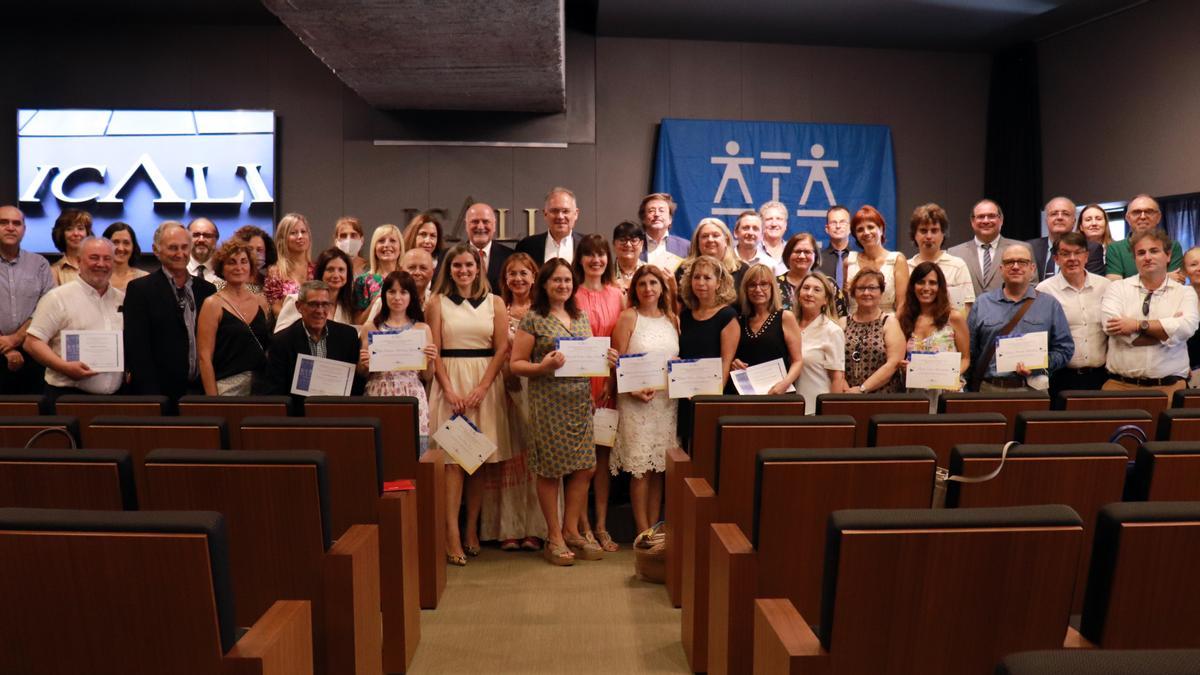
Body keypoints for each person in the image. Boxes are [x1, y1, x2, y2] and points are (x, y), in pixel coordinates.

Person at [510, 258, 600, 566]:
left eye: (567, 280)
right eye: (556, 280)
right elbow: (516, 364)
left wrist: (607, 358)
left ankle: (571, 529)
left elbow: (588, 359)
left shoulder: (581, 315)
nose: (562, 285)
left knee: (585, 467)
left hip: (579, 401)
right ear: (544, 284)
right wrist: (543, 366)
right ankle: (554, 536)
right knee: (551, 470)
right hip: (547, 401)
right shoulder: (533, 318)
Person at [426, 243, 512, 565]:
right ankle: (451, 533)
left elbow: (502, 348)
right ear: (448, 269)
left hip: (484, 384)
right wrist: (448, 390)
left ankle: (471, 529)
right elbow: (433, 348)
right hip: (450, 381)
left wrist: (483, 387)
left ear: (479, 268)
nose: (463, 271)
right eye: (457, 265)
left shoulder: (496, 302)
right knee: (452, 463)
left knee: (477, 462)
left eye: (469, 265)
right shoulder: (437, 303)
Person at [482, 252, 547, 552]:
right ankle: (507, 528)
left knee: (534, 459)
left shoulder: (543, 311)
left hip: (536, 390)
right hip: (502, 389)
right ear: (505, 279)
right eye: (512, 274)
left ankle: (534, 528)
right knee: (507, 461)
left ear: (534, 277)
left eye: (524, 273)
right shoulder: (497, 309)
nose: (518, 279)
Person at [611, 264, 679, 535]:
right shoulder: (629, 317)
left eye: (653, 283)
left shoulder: (672, 318)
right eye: (642, 284)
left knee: (659, 468)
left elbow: (675, 359)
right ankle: (642, 532)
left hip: (666, 403)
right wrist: (633, 390)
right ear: (634, 289)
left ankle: (655, 529)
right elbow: (618, 362)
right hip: (636, 401)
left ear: (662, 287)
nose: (648, 289)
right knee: (640, 469)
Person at [572, 234, 625, 554]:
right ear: (580, 259)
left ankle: (602, 525)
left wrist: (613, 379)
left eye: (601, 254)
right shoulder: (571, 294)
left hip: (609, 383)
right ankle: (582, 526)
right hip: (577, 384)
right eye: (589, 254)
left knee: (602, 458)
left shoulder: (617, 294)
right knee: (580, 460)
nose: (596, 260)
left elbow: (622, 338)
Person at [124, 222, 217, 400]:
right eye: (173, 248)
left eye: (184, 247)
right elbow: (137, 348)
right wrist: (152, 398)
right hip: (159, 394)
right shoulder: (140, 289)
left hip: (200, 391)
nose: (180, 253)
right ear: (156, 250)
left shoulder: (207, 290)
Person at [1101, 229, 1198, 396]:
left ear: (1168, 256)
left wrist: (1137, 325)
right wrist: (1167, 332)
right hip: (1119, 387)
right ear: (1135, 258)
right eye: (1141, 253)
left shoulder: (1185, 293)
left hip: (1171, 388)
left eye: (1154, 251)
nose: (1147, 257)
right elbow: (1113, 329)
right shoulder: (1116, 289)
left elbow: (1186, 328)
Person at [24, 237, 123, 401]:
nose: (101, 264)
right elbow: (32, 343)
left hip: (115, 398)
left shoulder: (122, 299)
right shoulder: (57, 298)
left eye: (107, 259)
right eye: (94, 257)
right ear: (78, 261)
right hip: (67, 396)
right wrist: (64, 367)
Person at [967, 243, 1073, 392]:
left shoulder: (1050, 305)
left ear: (1032, 268)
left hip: (1033, 390)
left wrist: (1039, 364)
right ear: (1001, 269)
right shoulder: (982, 303)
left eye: (1022, 262)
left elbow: (1065, 349)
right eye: (1009, 262)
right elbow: (969, 352)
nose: (1015, 266)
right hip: (989, 389)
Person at [358, 271, 438, 452]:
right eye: (392, 292)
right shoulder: (370, 327)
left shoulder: (422, 328)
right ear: (384, 294)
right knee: (379, 450)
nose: (397, 297)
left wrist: (431, 360)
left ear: (411, 296)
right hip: (379, 390)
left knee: (410, 452)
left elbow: (427, 376)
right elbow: (362, 372)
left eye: (403, 292)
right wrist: (364, 363)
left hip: (412, 393)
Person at [1036, 231, 1112, 398]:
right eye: (1065, 253)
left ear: (1086, 256)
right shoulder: (1044, 290)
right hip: (1061, 378)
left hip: (1101, 377)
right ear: (1056, 258)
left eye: (1078, 252)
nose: (1072, 258)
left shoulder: (1105, 286)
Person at [262, 280, 365, 399]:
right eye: (313, 304)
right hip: (299, 413)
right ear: (299, 306)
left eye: (325, 304)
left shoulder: (348, 336)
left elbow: (355, 385)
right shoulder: (281, 341)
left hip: (339, 411)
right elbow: (275, 391)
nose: (320, 310)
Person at [677, 255, 739, 446]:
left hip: (711, 399)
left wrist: (709, 399)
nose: (701, 283)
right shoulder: (686, 315)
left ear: (719, 282)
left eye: (707, 278)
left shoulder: (727, 315)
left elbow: (725, 363)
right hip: (684, 396)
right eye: (696, 277)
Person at [196, 239, 271, 396]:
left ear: (251, 267)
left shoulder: (261, 301)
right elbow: (204, 358)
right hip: (227, 389)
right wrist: (213, 400)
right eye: (232, 262)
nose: (239, 267)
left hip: (261, 387)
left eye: (244, 262)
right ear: (221, 268)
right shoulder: (212, 304)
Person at [896, 262, 970, 410]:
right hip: (915, 396)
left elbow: (966, 358)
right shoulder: (904, 318)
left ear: (940, 287)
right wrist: (903, 366)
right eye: (921, 282)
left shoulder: (953, 317)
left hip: (947, 393)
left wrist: (953, 376)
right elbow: (898, 357)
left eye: (932, 283)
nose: (926, 288)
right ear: (913, 286)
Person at [0, 205, 55, 394]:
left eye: (16, 223)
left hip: (33, 354)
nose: (10, 227)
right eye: (3, 222)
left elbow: (46, 307)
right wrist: (6, 348)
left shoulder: (39, 264)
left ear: (24, 229)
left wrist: (15, 339)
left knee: (33, 414)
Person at [729, 264, 803, 394]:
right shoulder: (739, 321)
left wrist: (784, 385)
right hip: (747, 396)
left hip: (779, 394)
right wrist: (734, 362)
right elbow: (733, 357)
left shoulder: (785, 317)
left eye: (763, 284)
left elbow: (797, 361)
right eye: (752, 285)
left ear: (772, 287)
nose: (758, 289)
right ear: (745, 290)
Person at [841, 269, 905, 394]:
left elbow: (893, 363)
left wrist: (862, 389)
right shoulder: (842, 322)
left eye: (872, 288)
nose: (866, 293)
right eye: (861, 288)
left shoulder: (890, 322)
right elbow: (834, 361)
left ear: (881, 292)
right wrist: (846, 389)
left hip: (883, 397)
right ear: (853, 293)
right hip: (847, 395)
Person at [947, 199, 1026, 299]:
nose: (986, 221)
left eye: (991, 216)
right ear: (972, 221)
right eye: (980, 216)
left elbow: (1030, 287)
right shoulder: (955, 253)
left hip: (1009, 313)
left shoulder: (1022, 249)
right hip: (968, 314)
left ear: (1001, 220)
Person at [793, 272, 846, 412]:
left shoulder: (832, 331)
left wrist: (830, 415)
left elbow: (837, 378)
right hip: (787, 407)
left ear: (826, 300)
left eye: (817, 290)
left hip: (814, 410)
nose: (809, 293)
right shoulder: (788, 325)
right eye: (806, 288)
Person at [907, 203, 975, 313]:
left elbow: (965, 310)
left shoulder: (958, 266)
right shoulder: (905, 267)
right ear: (914, 235)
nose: (929, 236)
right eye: (923, 231)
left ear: (943, 234)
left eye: (934, 231)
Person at [845, 205, 908, 315]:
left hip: (888, 326)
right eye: (860, 229)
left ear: (881, 229)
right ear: (855, 235)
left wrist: (892, 329)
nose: (866, 232)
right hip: (854, 327)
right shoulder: (848, 262)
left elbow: (902, 305)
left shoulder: (897, 260)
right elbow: (846, 302)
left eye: (870, 227)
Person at [1106, 194, 1184, 281]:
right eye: (1136, 212)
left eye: (1149, 212)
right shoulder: (1115, 249)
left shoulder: (1173, 246)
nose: (1143, 217)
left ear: (1158, 217)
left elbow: (1175, 284)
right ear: (1128, 218)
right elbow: (1115, 287)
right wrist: (1164, 278)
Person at [276, 248, 355, 333]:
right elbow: (279, 336)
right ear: (321, 273)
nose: (336, 275)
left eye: (341, 270)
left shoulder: (347, 308)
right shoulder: (296, 300)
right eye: (330, 269)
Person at [1027, 197, 1104, 278]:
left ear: (1074, 221)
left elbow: (1094, 284)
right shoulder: (1030, 247)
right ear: (1046, 220)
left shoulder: (1091, 249)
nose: (1059, 217)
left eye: (1065, 214)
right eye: (1054, 214)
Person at [676, 217, 748, 290]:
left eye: (715, 235)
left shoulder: (742, 270)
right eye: (705, 236)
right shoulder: (684, 270)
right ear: (697, 242)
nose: (710, 239)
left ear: (726, 240)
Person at [516, 187, 584, 264]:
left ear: (576, 214)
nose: (560, 217)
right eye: (554, 211)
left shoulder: (586, 246)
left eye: (565, 211)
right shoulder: (527, 246)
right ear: (545, 214)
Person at [351, 223, 404, 324]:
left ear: (400, 247)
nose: (387, 245)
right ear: (374, 248)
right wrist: (374, 304)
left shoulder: (408, 279)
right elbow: (357, 322)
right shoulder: (362, 281)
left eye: (392, 241)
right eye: (381, 241)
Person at [264, 212, 314, 315]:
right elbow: (275, 309)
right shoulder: (275, 273)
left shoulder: (317, 269)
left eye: (303, 231)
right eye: (293, 233)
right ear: (283, 238)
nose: (300, 236)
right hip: (288, 327)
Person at [465, 203, 512, 292]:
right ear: (466, 225)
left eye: (486, 221)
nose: (480, 226)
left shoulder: (509, 257)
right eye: (474, 221)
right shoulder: (449, 257)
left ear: (494, 226)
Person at [638, 192, 688, 269]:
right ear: (643, 219)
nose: (657, 214)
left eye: (661, 210)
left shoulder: (685, 247)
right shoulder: (633, 246)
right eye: (651, 211)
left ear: (670, 219)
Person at [49, 208, 93, 286]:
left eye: (80, 228)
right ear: (61, 234)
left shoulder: (97, 266)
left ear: (87, 233)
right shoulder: (54, 271)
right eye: (69, 229)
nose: (76, 233)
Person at [776, 233, 820, 311]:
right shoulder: (773, 285)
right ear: (788, 255)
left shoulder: (828, 285)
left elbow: (840, 318)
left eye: (807, 252)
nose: (802, 256)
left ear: (815, 255)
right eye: (797, 251)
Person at [102, 222, 148, 291]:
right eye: (115, 242)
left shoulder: (145, 279)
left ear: (133, 247)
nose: (121, 248)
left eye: (126, 243)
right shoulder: (95, 277)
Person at [817, 205, 853, 289]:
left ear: (850, 227)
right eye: (833, 222)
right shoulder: (817, 260)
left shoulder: (859, 259)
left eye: (843, 222)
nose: (838, 226)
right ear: (827, 229)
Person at [231, 224, 275, 291]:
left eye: (259, 250)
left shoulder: (269, 282)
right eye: (250, 249)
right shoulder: (228, 280)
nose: (255, 254)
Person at [612, 220, 647, 293]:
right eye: (622, 240)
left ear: (641, 245)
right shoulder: (606, 273)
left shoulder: (650, 272)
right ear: (614, 244)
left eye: (633, 240)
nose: (628, 244)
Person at [1183, 246, 1200, 387]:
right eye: (1193, 264)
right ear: (1185, 271)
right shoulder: (1177, 297)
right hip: (1185, 374)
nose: (1199, 268)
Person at [187, 217, 220, 284]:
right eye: (196, 235)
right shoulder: (175, 268)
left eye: (207, 235)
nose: (201, 240)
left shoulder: (226, 270)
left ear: (216, 239)